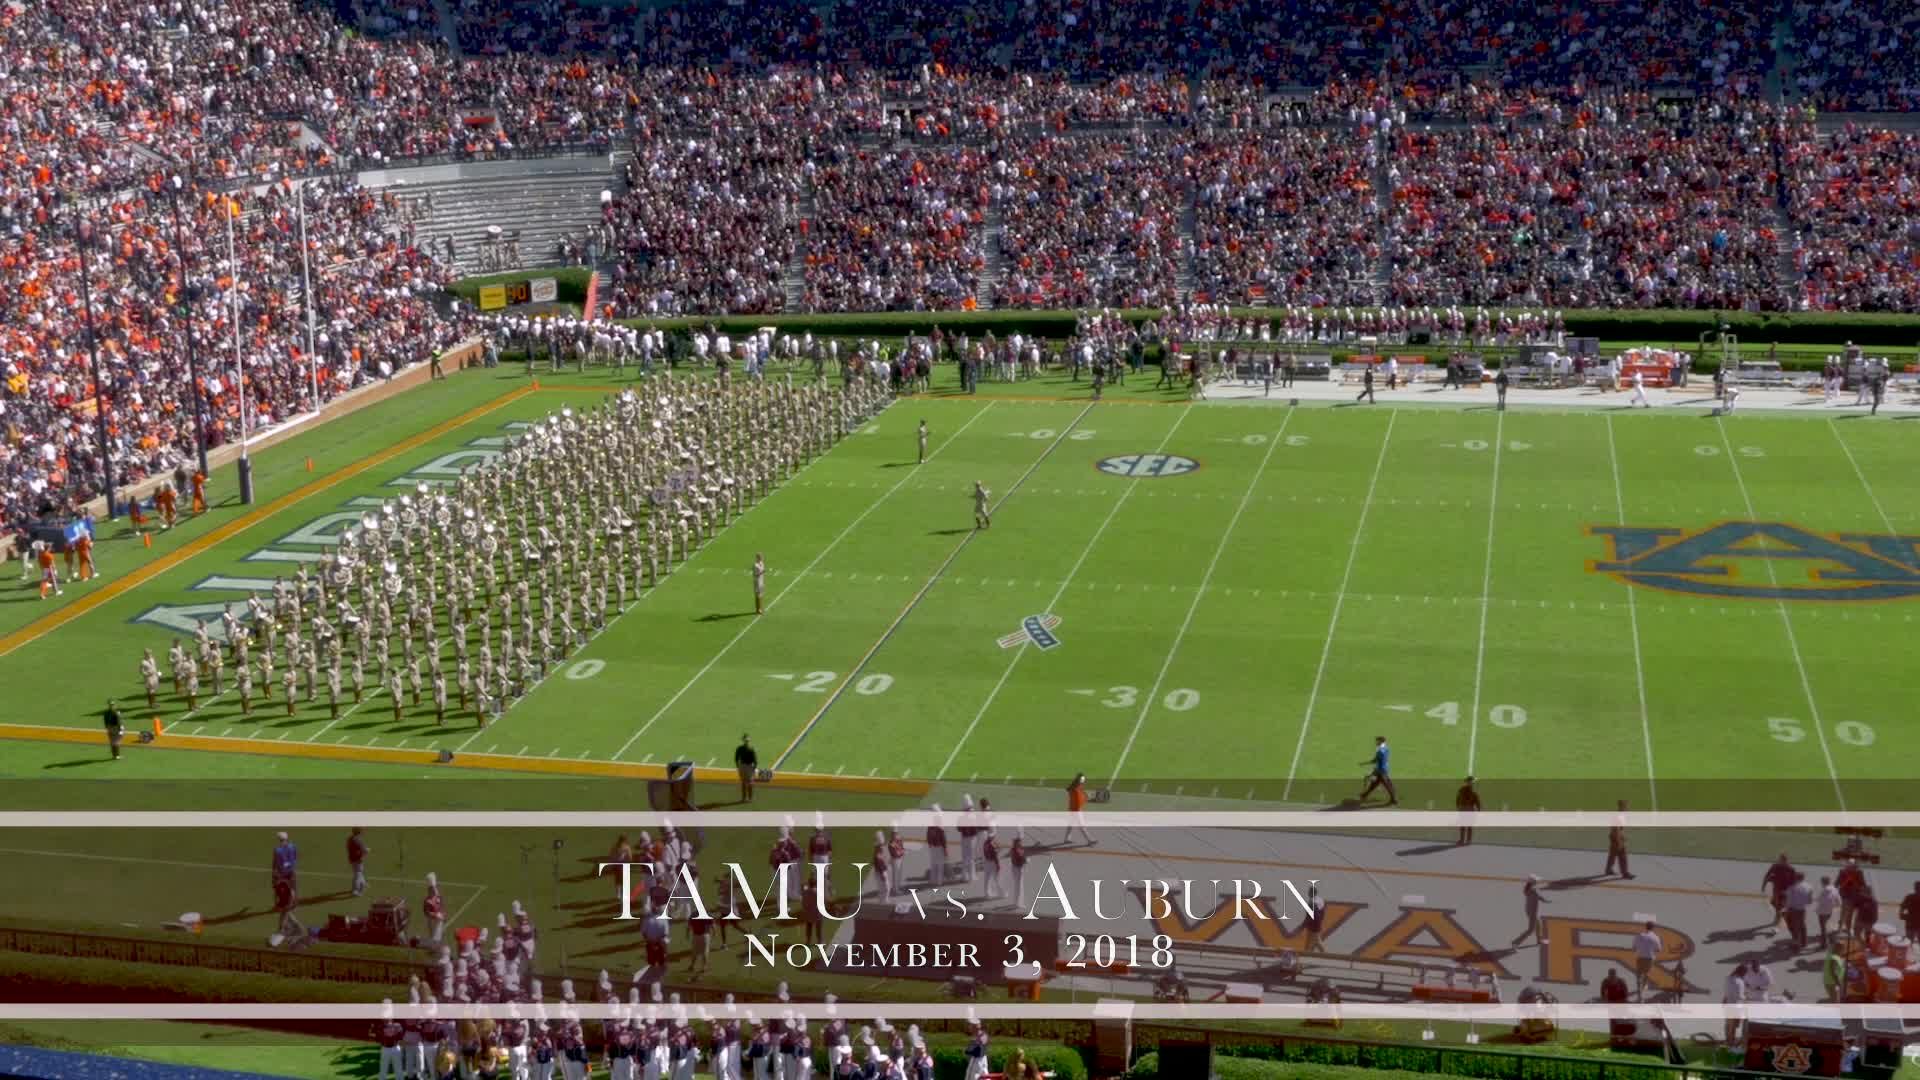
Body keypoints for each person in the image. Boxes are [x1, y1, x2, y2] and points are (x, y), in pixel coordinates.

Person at [1511, 875, 1550, 946]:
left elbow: (1538, 897)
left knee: (1538, 926)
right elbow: (1538, 896)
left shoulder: (1529, 889)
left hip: (1530, 910)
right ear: (1533, 882)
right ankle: (1516, 942)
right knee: (1530, 930)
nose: (1538, 882)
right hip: (1532, 912)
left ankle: (1539, 940)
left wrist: (1545, 901)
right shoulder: (1532, 890)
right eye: (1537, 881)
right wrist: (1545, 901)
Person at [1357, 736, 1396, 805]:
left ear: (1380, 741)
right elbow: (1384, 759)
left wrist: (1364, 763)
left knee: (1387, 785)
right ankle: (1364, 795)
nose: (1376, 742)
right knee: (1375, 784)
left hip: (1381, 771)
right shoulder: (1386, 748)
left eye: (1377, 741)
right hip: (1385, 769)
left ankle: (1394, 800)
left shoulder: (1380, 750)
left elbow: (1375, 761)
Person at [1632, 921, 1661, 998]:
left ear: (1645, 927)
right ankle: (1643, 989)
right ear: (1653, 928)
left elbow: (1634, 947)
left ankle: (1639, 986)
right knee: (1646, 973)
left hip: (1640, 957)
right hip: (1649, 958)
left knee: (1639, 974)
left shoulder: (1639, 935)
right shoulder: (1655, 937)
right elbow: (1658, 949)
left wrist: (1638, 950)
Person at [1605, 799, 1633, 878]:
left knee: (1613, 854)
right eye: (1626, 806)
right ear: (1622, 807)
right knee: (1622, 855)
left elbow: (1618, 829)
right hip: (1616, 838)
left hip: (1615, 837)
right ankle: (1625, 873)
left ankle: (1608, 869)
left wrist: (1622, 836)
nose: (1627, 808)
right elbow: (1616, 829)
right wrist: (1619, 840)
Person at [1064, 774, 1093, 846]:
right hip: (1076, 810)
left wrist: (1085, 794)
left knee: (1071, 824)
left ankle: (1067, 838)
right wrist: (1087, 798)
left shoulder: (1074, 787)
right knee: (1082, 825)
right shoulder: (1076, 790)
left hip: (1071, 809)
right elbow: (1079, 802)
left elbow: (1081, 791)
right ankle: (1089, 840)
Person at [1454, 776, 1480, 845]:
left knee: (1464, 825)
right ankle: (1468, 841)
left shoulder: (1462, 789)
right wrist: (1478, 808)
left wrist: (1458, 806)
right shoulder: (1472, 790)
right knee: (1469, 826)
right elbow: (1476, 800)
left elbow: (1458, 798)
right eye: (1473, 781)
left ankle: (1462, 840)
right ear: (1470, 782)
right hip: (1469, 809)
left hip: (1463, 808)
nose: (1474, 783)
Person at [348, 827, 371, 898]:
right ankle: (355, 890)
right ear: (359, 832)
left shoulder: (350, 839)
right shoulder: (358, 840)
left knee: (359, 872)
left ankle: (363, 884)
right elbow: (364, 850)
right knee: (358, 874)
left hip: (352, 859)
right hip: (357, 860)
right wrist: (367, 850)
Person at [734, 735, 758, 803]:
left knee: (744, 783)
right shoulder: (751, 748)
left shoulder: (739, 748)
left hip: (742, 766)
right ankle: (749, 798)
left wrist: (738, 766)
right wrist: (754, 767)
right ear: (748, 741)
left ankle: (744, 798)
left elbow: (736, 758)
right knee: (749, 783)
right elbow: (755, 760)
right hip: (749, 767)